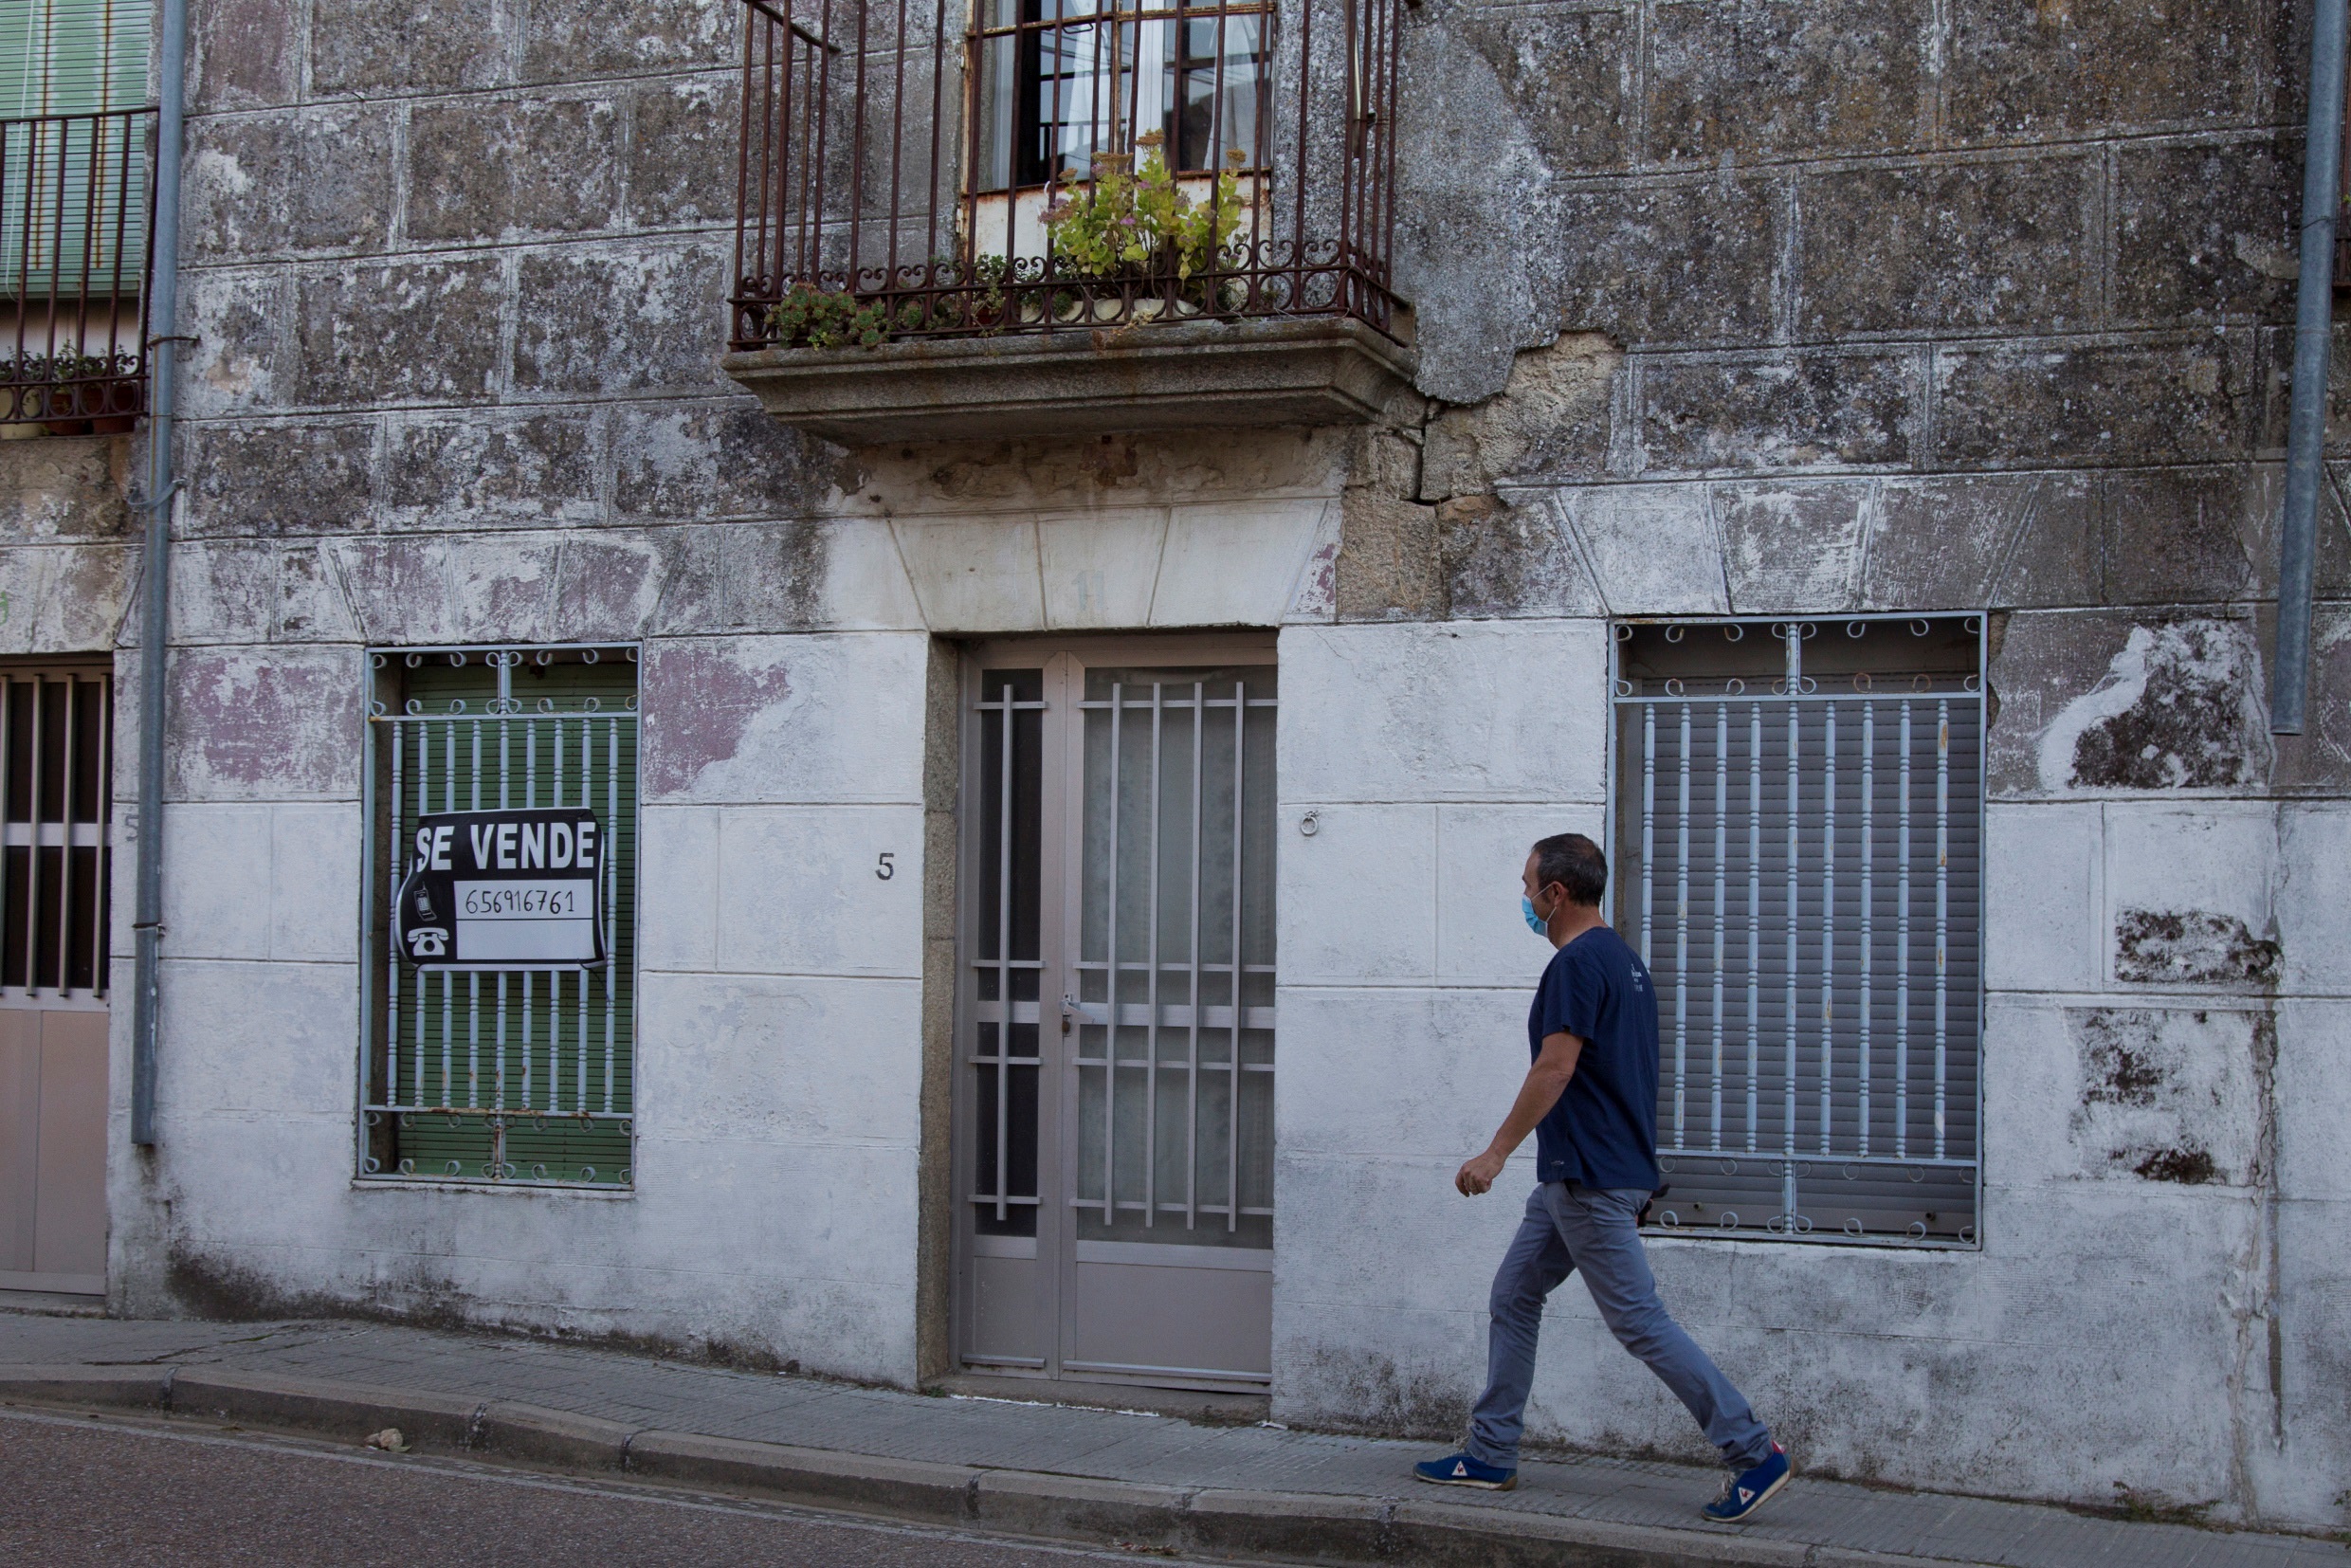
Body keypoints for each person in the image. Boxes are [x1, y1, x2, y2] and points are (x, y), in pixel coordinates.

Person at [1412, 832, 1791, 1523]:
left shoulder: (1577, 964)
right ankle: (1491, 1452)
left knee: (1640, 1322)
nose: (1524, 898)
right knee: (1514, 1297)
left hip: (1588, 1179)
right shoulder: (1623, 961)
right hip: (1581, 1177)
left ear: (1556, 893)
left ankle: (1753, 1450)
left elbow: (1555, 1068)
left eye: (1528, 886)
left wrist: (1495, 1154)